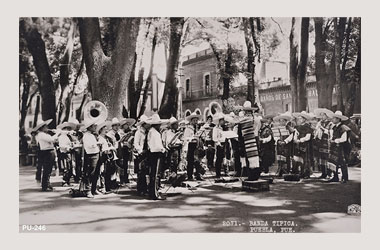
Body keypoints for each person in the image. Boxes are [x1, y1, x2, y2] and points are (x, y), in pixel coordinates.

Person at [34, 119, 59, 191]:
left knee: (49, 169)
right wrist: (58, 133)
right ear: (42, 128)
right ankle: (45, 185)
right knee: (47, 169)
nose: (47, 127)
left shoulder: (44, 134)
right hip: (47, 152)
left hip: (49, 151)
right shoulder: (41, 135)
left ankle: (47, 184)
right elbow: (51, 139)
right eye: (45, 126)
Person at [327, 111, 351, 183]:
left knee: (342, 162)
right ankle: (335, 177)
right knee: (334, 162)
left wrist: (335, 141)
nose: (332, 119)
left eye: (334, 118)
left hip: (342, 147)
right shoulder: (334, 127)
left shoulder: (343, 128)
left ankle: (345, 177)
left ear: (338, 119)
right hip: (335, 147)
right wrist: (331, 140)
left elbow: (344, 139)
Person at [146, 114, 166, 200]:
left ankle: (153, 192)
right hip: (156, 153)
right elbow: (156, 145)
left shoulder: (152, 131)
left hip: (153, 153)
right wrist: (163, 149)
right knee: (155, 174)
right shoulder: (154, 133)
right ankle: (154, 193)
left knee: (154, 174)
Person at [82, 121, 101, 198]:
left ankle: (94, 189)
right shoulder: (86, 136)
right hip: (91, 155)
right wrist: (97, 144)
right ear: (90, 127)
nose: (95, 127)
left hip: (96, 153)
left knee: (96, 172)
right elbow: (89, 145)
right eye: (94, 126)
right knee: (90, 173)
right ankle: (88, 190)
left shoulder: (92, 135)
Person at [314, 108, 334, 179]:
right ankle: (323, 173)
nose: (321, 117)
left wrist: (322, 128)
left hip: (327, 142)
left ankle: (329, 172)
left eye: (323, 115)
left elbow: (329, 133)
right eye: (321, 115)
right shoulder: (319, 122)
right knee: (321, 158)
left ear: (326, 116)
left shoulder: (330, 123)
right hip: (321, 142)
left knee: (327, 158)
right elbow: (316, 131)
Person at [292, 111, 313, 178]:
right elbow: (295, 134)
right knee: (298, 158)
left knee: (305, 158)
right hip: (298, 144)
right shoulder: (297, 127)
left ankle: (306, 173)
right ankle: (300, 172)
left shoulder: (308, 127)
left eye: (301, 118)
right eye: (299, 118)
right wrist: (295, 139)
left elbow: (308, 137)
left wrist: (300, 140)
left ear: (304, 119)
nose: (299, 119)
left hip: (305, 144)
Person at [184, 112, 204, 181]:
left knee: (198, 161)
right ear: (191, 121)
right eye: (194, 120)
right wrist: (193, 138)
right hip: (191, 145)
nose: (195, 122)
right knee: (190, 161)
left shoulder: (198, 129)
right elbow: (186, 138)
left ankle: (198, 174)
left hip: (197, 146)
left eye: (196, 120)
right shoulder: (188, 129)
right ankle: (190, 175)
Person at [134, 115, 150, 195]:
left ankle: (145, 188)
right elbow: (136, 143)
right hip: (140, 154)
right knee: (141, 172)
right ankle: (140, 189)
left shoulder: (148, 132)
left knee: (145, 171)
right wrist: (140, 151)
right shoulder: (138, 132)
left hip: (147, 153)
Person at [272, 112, 292, 176]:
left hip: (286, 144)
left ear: (285, 121)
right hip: (279, 144)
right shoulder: (278, 128)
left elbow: (291, 136)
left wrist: (285, 141)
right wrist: (277, 140)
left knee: (286, 157)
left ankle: (286, 170)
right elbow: (275, 135)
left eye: (283, 121)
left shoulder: (288, 128)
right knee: (279, 157)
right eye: (280, 121)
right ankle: (280, 170)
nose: (281, 122)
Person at [57, 122, 76, 186]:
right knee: (66, 167)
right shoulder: (62, 137)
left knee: (70, 167)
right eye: (67, 129)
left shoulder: (68, 137)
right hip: (64, 153)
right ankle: (64, 181)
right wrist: (68, 147)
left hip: (68, 153)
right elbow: (61, 145)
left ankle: (67, 180)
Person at [119, 118, 136, 184]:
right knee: (122, 164)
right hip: (122, 149)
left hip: (127, 149)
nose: (127, 126)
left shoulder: (130, 132)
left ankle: (126, 177)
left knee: (127, 164)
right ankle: (122, 178)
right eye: (126, 124)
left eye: (128, 124)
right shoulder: (120, 132)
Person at [212, 113, 226, 179]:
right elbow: (214, 138)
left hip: (224, 143)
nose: (223, 121)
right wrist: (219, 144)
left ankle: (222, 172)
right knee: (218, 159)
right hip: (219, 145)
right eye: (222, 120)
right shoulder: (215, 128)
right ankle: (218, 173)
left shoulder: (223, 128)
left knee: (222, 159)